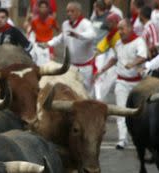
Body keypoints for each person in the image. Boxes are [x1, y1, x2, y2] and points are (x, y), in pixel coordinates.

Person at [95, 19, 147, 150]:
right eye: (119, 29)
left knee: (138, 112)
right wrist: (102, 70)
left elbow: (143, 56)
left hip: (137, 83)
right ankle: (122, 139)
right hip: (121, 82)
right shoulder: (118, 43)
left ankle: (140, 137)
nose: (120, 32)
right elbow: (114, 59)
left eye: (122, 28)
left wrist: (133, 63)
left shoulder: (139, 41)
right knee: (121, 110)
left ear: (130, 28)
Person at [46, 2, 98, 94]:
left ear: (79, 12)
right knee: (71, 91)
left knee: (86, 93)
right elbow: (62, 37)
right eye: (68, 11)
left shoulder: (86, 23)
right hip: (71, 66)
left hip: (85, 67)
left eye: (72, 11)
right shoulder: (65, 24)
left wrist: (78, 35)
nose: (69, 13)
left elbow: (92, 35)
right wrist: (49, 43)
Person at [93, 13, 122, 102]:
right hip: (118, 63)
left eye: (110, 22)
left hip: (129, 64)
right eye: (108, 22)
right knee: (107, 84)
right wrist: (92, 57)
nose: (107, 24)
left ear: (116, 22)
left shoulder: (121, 34)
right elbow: (100, 47)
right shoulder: (110, 35)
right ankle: (99, 102)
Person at [28, 0, 58, 65]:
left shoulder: (52, 20)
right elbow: (31, 32)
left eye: (45, 7)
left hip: (48, 46)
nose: (43, 9)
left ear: (48, 9)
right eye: (41, 7)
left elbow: (58, 31)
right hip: (38, 45)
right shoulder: (34, 21)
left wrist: (53, 47)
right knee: (37, 66)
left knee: (49, 66)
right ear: (38, 8)